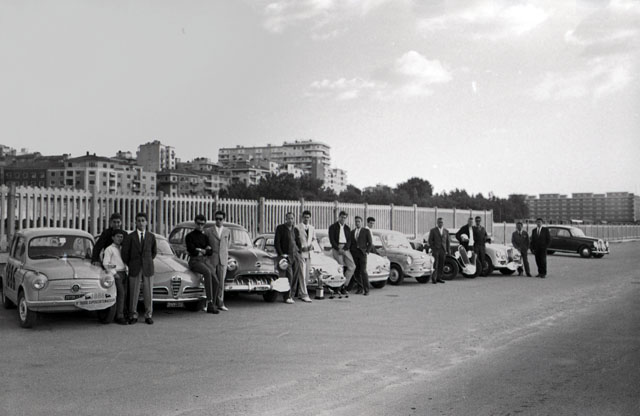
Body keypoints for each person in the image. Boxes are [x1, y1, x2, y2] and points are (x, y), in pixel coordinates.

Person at [121, 212, 157, 325]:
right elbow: (125, 253)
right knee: (134, 291)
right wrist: (131, 263)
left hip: (148, 267)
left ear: (146, 222)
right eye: (139, 221)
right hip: (134, 266)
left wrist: (147, 261)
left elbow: (154, 252)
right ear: (135, 222)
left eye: (143, 220)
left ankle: (148, 315)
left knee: (148, 292)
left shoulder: (151, 236)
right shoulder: (130, 237)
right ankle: (133, 315)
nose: (141, 223)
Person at [185, 215, 219, 314]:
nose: (200, 226)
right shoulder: (189, 236)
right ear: (195, 223)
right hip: (194, 261)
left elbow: (210, 252)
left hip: (205, 261)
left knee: (216, 281)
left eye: (202, 224)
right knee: (207, 272)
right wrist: (204, 250)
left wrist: (200, 250)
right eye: (198, 224)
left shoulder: (205, 237)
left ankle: (212, 303)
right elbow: (192, 250)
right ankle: (210, 302)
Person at [274, 212, 304, 304]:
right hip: (286, 255)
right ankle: (287, 296)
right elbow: (277, 242)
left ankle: (292, 295)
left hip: (295, 255)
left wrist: (299, 252)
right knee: (289, 276)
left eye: (292, 218)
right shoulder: (280, 228)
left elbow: (298, 242)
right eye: (288, 218)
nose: (290, 220)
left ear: (294, 219)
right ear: (285, 219)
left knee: (295, 276)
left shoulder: (295, 230)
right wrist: (281, 254)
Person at [205, 210, 231, 311]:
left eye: (220, 219)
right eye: (216, 219)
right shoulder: (209, 231)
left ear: (224, 220)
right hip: (212, 259)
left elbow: (228, 245)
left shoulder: (227, 231)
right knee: (211, 281)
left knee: (221, 282)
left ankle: (220, 303)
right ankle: (209, 303)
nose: (218, 221)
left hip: (223, 259)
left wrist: (225, 256)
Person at [102, 229, 128, 325]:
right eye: (117, 236)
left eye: (121, 237)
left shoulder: (122, 248)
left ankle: (122, 313)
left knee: (124, 294)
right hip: (116, 274)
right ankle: (119, 316)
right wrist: (114, 272)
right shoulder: (109, 249)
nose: (119, 238)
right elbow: (106, 263)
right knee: (120, 294)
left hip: (124, 272)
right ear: (113, 237)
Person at [328, 211, 355, 296]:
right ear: (339, 217)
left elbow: (349, 240)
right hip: (337, 247)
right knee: (340, 267)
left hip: (345, 248)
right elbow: (332, 240)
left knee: (352, 266)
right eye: (342, 217)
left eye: (344, 218)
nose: (343, 219)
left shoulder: (347, 228)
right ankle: (338, 288)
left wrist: (345, 248)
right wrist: (337, 248)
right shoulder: (333, 227)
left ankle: (344, 285)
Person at [349, 216, 373, 295]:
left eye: (358, 221)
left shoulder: (366, 231)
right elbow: (351, 243)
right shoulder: (352, 232)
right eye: (356, 221)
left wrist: (367, 251)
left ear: (361, 222)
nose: (357, 223)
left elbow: (370, 242)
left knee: (363, 271)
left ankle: (367, 290)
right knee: (356, 271)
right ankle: (360, 288)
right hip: (354, 254)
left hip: (362, 253)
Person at [294, 210, 314, 303]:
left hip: (309, 254)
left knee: (306, 275)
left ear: (310, 218)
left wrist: (312, 246)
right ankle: (304, 294)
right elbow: (295, 241)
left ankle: (300, 292)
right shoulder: (297, 227)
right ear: (302, 217)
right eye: (305, 217)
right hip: (301, 253)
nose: (306, 219)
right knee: (302, 274)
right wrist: (301, 248)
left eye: (308, 217)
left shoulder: (312, 228)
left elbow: (313, 239)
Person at [427, 217, 449, 284]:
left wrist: (448, 250)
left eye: (441, 222)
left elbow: (447, 242)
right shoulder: (433, 230)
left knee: (441, 264)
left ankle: (439, 278)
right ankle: (434, 278)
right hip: (436, 249)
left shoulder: (446, 231)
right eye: (439, 222)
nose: (440, 223)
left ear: (443, 223)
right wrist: (433, 248)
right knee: (435, 264)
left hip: (443, 250)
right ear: (437, 223)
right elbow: (430, 240)